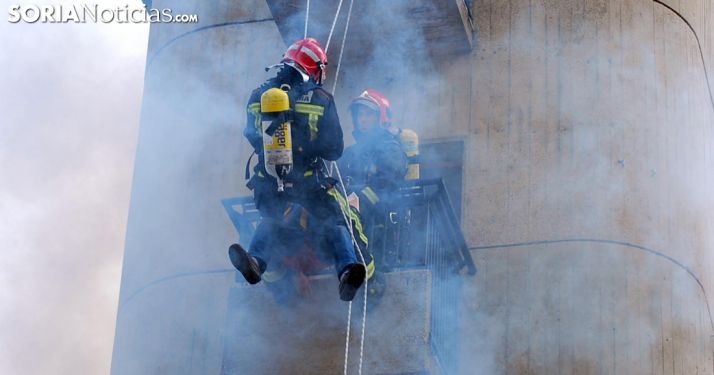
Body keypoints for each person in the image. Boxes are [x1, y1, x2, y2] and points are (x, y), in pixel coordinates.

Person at [228, 38, 366, 302]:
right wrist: (307, 146)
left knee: (272, 224)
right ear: (314, 68)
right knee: (335, 223)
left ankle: (255, 261)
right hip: (309, 185)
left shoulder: (258, 95)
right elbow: (334, 149)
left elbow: (250, 134)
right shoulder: (321, 98)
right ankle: (347, 270)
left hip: (268, 183)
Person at [338, 89, 409, 304]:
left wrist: (359, 196)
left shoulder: (389, 147)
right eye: (360, 114)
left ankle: (372, 279)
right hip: (353, 211)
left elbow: (390, 179)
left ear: (381, 118)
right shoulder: (349, 153)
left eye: (369, 114)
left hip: (379, 214)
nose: (363, 119)